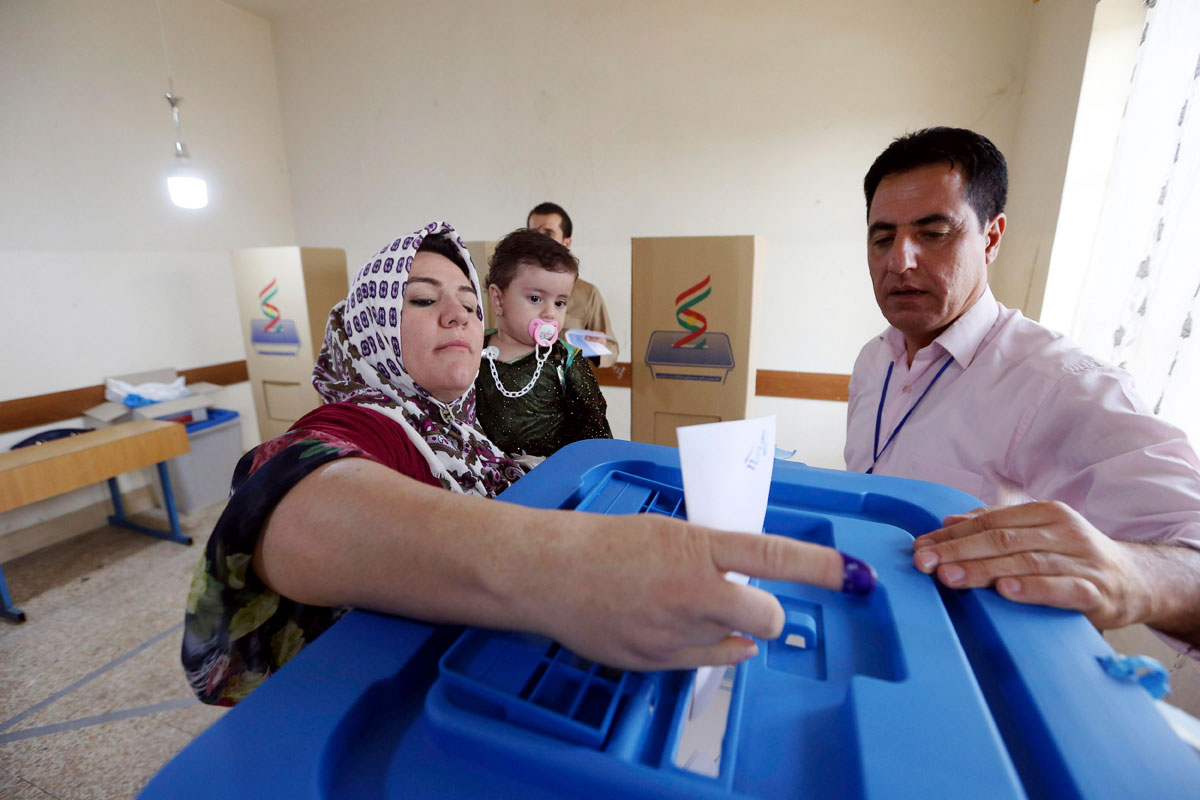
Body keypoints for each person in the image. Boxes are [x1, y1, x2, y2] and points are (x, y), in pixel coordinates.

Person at [183, 221, 877, 705]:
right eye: (422, 300)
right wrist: (565, 562)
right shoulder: (371, 418)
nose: (456, 316)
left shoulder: (459, 430)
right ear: (367, 326)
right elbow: (289, 496)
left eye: (462, 301)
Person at [844, 127, 1200, 653]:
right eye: (882, 237)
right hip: (871, 628)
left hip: (983, 670)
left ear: (990, 238)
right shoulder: (874, 359)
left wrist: (1127, 572)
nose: (900, 261)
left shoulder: (1062, 383)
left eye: (934, 232)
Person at [474, 229, 612, 461]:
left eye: (560, 302)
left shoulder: (565, 360)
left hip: (549, 478)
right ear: (498, 299)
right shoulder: (473, 349)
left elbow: (594, 430)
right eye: (535, 299)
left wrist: (560, 467)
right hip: (481, 480)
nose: (550, 313)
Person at [527, 202, 620, 368]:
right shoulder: (511, 286)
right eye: (533, 234)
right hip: (519, 386)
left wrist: (596, 347)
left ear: (566, 243)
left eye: (548, 234)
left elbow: (612, 349)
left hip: (566, 388)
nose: (539, 240)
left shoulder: (587, 293)